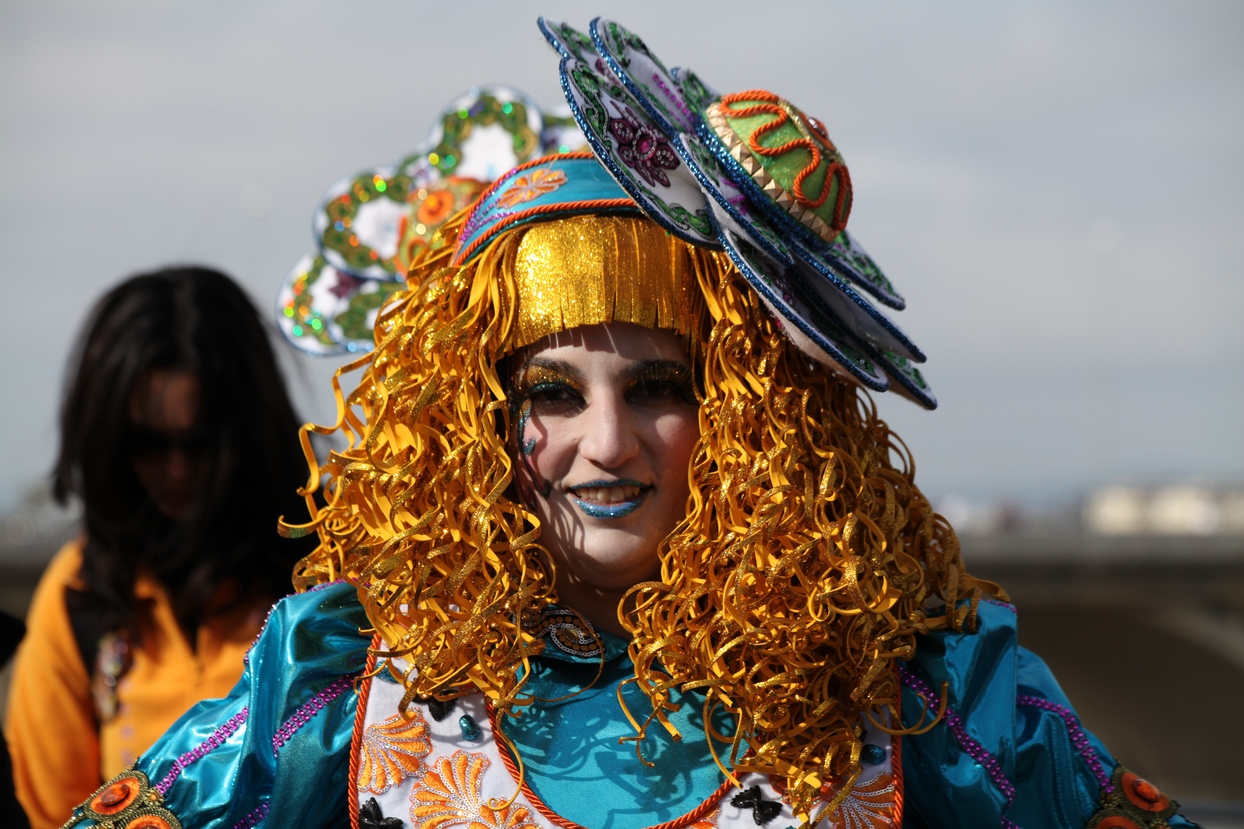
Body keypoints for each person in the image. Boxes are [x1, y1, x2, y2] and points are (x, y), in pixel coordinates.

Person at [62, 19, 1196, 829]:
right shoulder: (341, 684)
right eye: (549, 394)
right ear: (470, 424)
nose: (605, 444)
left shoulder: (930, 697)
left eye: (660, 387)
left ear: (755, 416)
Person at [5, 267, 315, 828]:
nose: (177, 471)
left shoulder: (333, 569)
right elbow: (49, 814)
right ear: (105, 437)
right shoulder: (78, 595)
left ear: (249, 427)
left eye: (200, 444)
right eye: (149, 443)